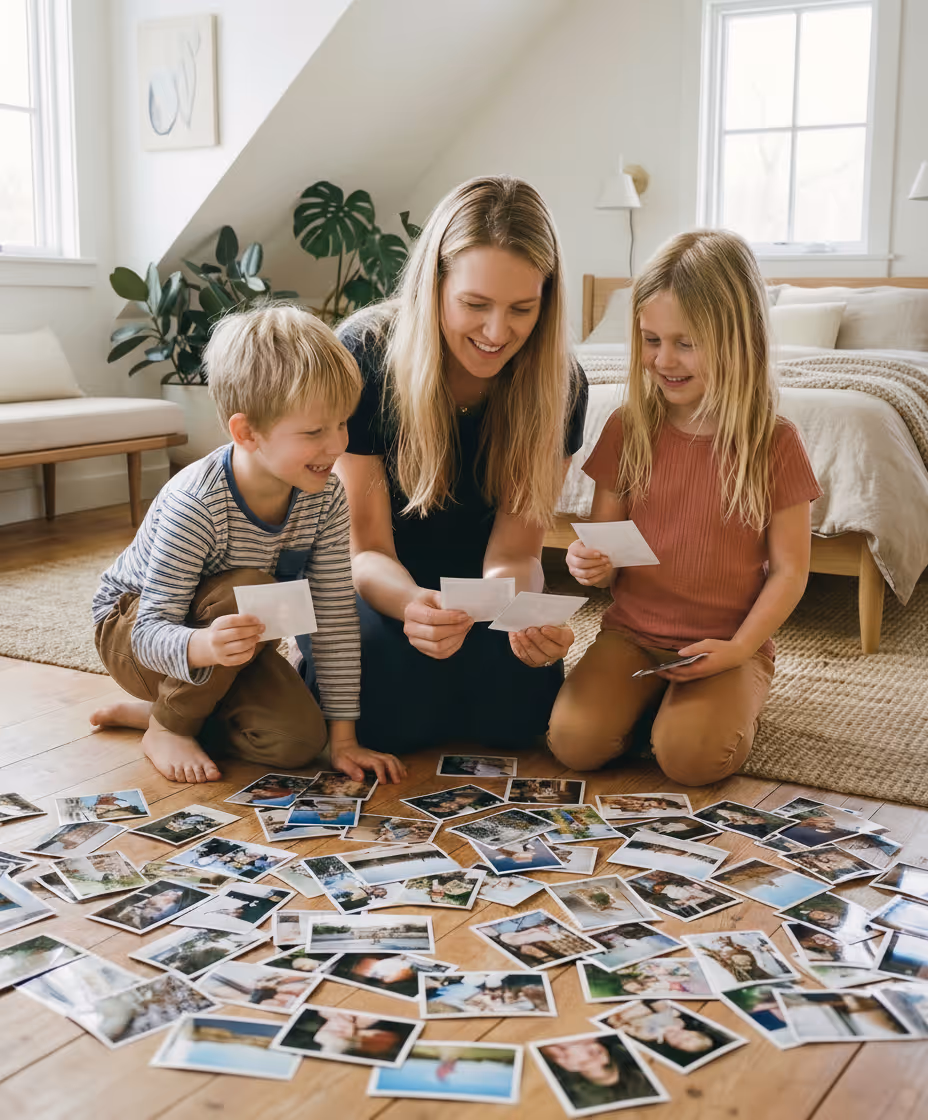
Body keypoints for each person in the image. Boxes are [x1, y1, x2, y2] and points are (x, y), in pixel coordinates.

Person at [320, 176, 588, 754]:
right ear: (433, 286)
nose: (498, 333)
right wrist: (414, 605)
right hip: (377, 577)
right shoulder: (364, 354)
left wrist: (517, 612)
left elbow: (515, 553)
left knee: (518, 716)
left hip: (479, 587)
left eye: (523, 308)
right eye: (474, 305)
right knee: (387, 719)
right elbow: (364, 550)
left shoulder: (559, 382)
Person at [88, 305, 405, 787]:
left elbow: (335, 616)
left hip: (228, 646)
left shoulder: (326, 495)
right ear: (246, 432)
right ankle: (168, 725)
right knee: (249, 587)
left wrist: (342, 740)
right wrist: (204, 645)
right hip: (133, 632)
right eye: (314, 431)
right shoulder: (196, 504)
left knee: (298, 742)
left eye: (342, 423)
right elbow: (151, 632)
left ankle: (166, 709)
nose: (337, 444)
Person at [550, 229, 821, 786]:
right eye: (651, 339)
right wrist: (589, 563)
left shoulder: (776, 442)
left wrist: (740, 648)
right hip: (632, 633)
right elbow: (604, 549)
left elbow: (792, 570)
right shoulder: (627, 427)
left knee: (692, 761)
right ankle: (655, 701)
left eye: (687, 343)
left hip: (726, 641)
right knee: (573, 744)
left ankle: (724, 693)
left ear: (739, 338)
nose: (664, 360)